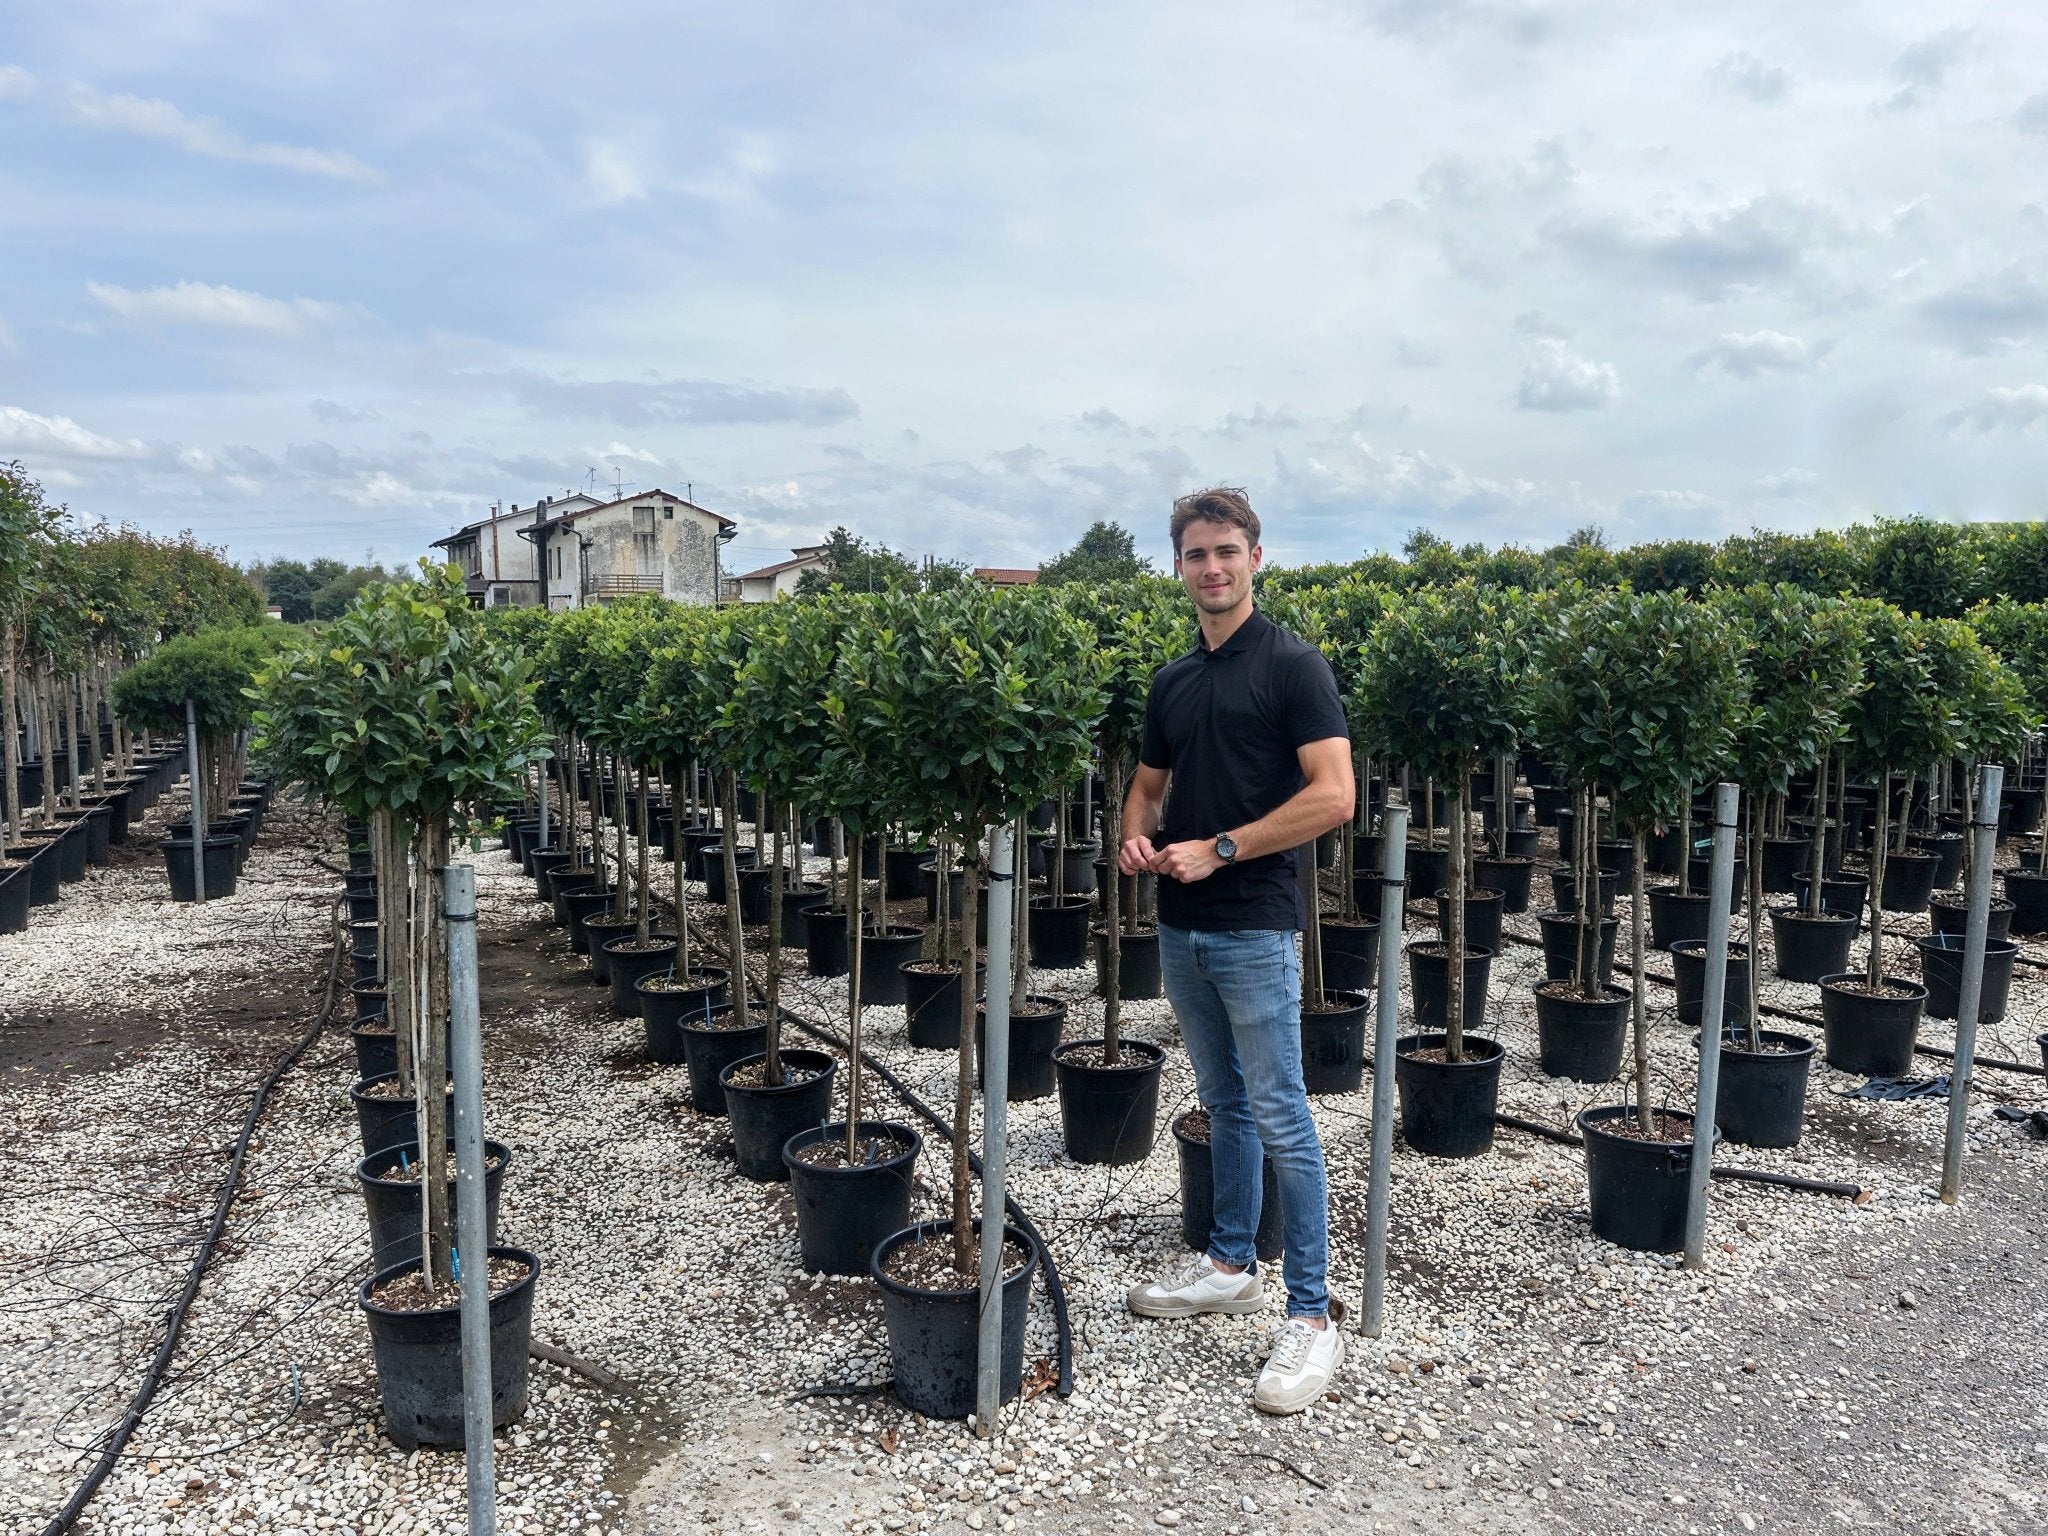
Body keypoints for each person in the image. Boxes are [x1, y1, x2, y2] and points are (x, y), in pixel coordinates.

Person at [1118, 485, 1354, 1415]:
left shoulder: (1295, 667)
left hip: (1256, 922)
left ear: (1256, 557)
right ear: (1177, 566)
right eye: (1195, 554)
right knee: (1223, 1105)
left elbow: (1333, 796)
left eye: (1226, 551)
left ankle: (1311, 1314)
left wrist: (1220, 849)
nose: (1211, 568)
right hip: (1182, 927)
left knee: (1282, 1113)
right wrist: (1135, 838)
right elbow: (1146, 788)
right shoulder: (1174, 681)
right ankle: (1229, 1265)